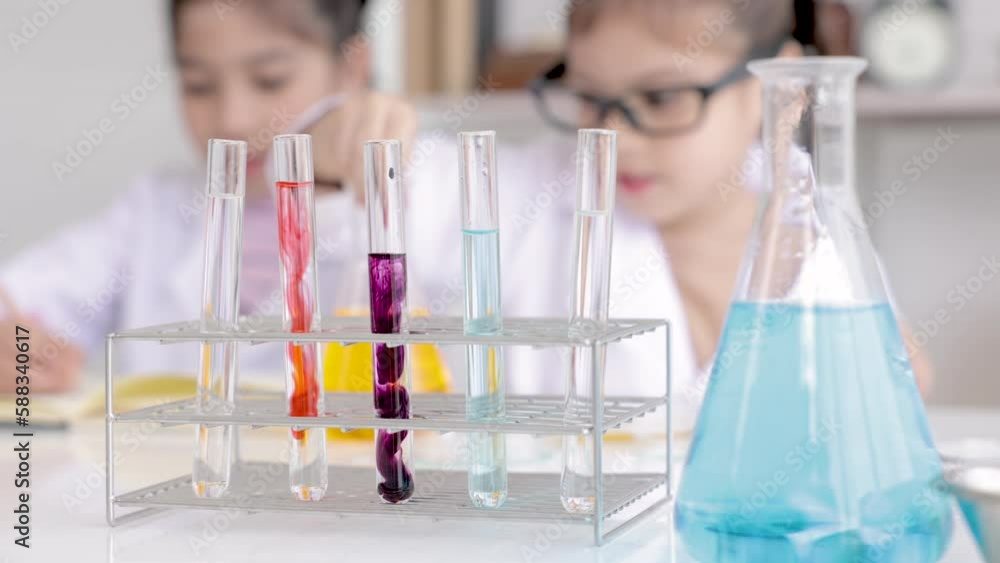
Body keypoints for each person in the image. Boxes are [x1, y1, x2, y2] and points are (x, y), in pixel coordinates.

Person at [0, 0, 415, 391]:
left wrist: (329, 174)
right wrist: (15, 349)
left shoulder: (442, 197)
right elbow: (19, 301)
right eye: (199, 86)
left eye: (270, 79)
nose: (232, 119)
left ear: (353, 66)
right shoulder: (152, 212)